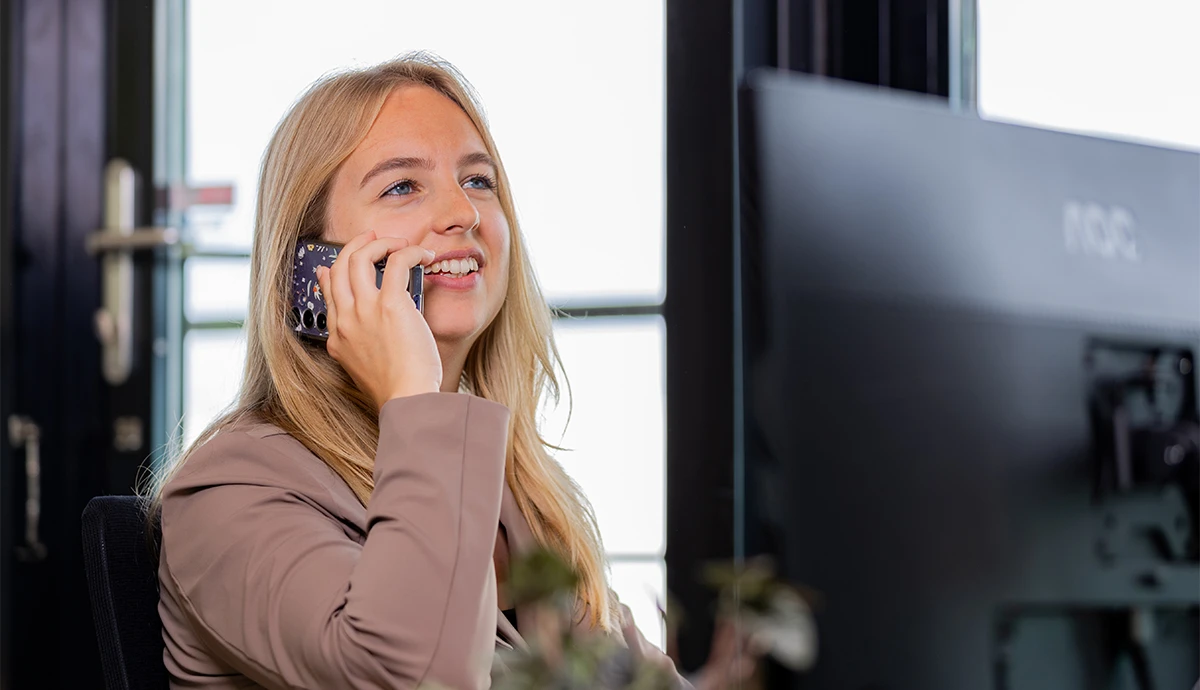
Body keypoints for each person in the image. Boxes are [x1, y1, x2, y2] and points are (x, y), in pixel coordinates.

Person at [150, 54, 752, 689]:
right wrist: (413, 394)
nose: (463, 212)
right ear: (312, 266)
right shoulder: (230, 490)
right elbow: (413, 678)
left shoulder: (519, 495)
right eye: (402, 187)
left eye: (478, 181)